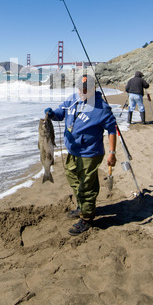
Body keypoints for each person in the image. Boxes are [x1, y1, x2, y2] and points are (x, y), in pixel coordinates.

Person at [45, 74, 117, 236]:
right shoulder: (73, 99)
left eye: (86, 89)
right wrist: (51, 114)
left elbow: (112, 130)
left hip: (90, 153)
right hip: (73, 150)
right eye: (80, 89)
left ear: (93, 88)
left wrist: (112, 153)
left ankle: (87, 217)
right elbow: (60, 113)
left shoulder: (102, 108)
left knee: (86, 186)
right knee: (72, 176)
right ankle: (83, 204)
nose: (82, 92)